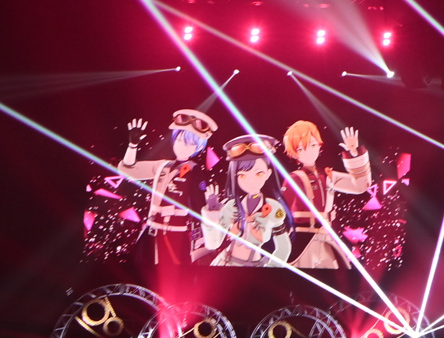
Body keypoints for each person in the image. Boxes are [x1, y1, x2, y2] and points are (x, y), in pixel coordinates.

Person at [116, 109, 219, 264]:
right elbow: (128, 170)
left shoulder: (195, 171)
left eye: (190, 143)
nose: (182, 145)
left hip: (176, 236)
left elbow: (198, 206)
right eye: (179, 139)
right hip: (151, 232)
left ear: (198, 147)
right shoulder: (163, 166)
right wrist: (132, 145)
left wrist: (210, 210)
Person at [280, 120, 371, 269]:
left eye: (313, 145)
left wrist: (354, 153)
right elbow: (282, 213)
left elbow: (361, 186)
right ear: (295, 153)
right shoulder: (293, 179)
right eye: (301, 148)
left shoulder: (327, 176)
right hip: (303, 241)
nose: (309, 151)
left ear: (319, 146)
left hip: (326, 238)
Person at [205, 135, 291, 266]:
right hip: (225, 263)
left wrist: (272, 267)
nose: (251, 181)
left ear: (268, 174)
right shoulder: (231, 206)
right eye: (243, 176)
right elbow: (213, 244)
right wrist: (212, 215)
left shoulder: (274, 208)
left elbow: (284, 247)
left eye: (258, 174)